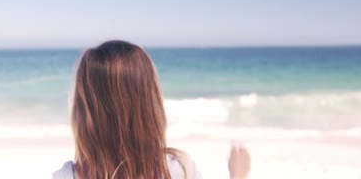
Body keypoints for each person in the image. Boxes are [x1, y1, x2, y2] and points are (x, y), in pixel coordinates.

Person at [52, 40, 250, 179]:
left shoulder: (66, 176)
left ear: (83, 110)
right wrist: (238, 175)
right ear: (149, 104)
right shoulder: (176, 169)